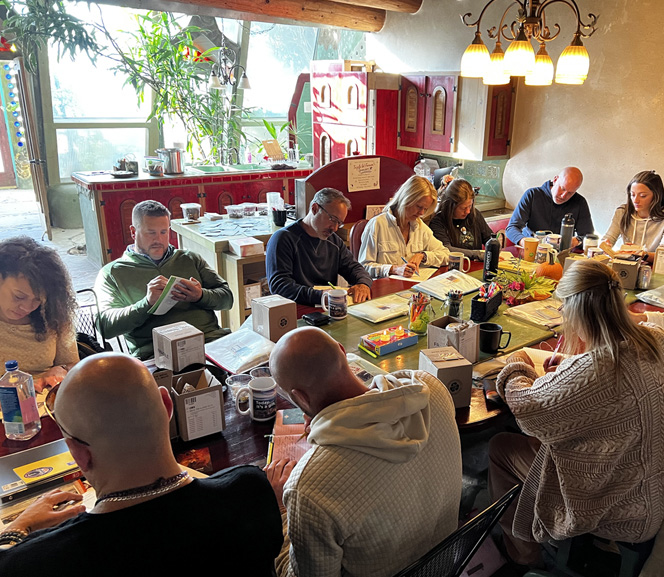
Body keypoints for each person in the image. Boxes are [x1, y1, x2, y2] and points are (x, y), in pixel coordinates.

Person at [0, 353, 283, 575]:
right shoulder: (250, 491)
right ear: (167, 404)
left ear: (77, 452)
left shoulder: (35, 562)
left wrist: (16, 529)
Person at [488, 259, 664, 566]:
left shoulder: (593, 372)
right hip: (651, 484)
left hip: (623, 509)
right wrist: (570, 368)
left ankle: (523, 556)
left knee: (501, 446)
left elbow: (526, 409)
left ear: (575, 309)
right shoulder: (654, 339)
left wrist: (516, 366)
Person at [265, 326, 462, 577]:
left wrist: (283, 513)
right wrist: (326, 420)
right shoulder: (431, 389)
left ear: (301, 398)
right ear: (342, 351)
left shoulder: (307, 487)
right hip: (445, 564)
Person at [95, 200, 233, 359]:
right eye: (151, 233)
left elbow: (227, 299)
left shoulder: (189, 258)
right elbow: (105, 327)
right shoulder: (112, 273)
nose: (159, 240)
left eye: (163, 232)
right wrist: (146, 304)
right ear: (133, 232)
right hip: (157, 354)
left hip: (210, 343)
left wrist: (201, 296)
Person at [265, 188, 372, 306]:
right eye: (332, 219)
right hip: (294, 310)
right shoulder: (283, 239)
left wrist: (363, 284)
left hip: (326, 308)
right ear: (315, 208)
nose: (335, 228)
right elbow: (279, 286)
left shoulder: (334, 241)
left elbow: (354, 268)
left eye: (339, 223)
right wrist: (320, 296)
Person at [0, 236, 78, 392]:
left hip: (48, 403)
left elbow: (74, 364)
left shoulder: (53, 314)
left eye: (38, 300)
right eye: (19, 296)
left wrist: (62, 369)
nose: (27, 307)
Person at [358, 175, 450, 278]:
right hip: (384, 288)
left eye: (425, 209)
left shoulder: (420, 227)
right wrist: (394, 269)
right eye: (419, 207)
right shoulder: (377, 225)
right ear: (406, 199)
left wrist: (422, 256)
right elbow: (363, 267)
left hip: (410, 288)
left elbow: (446, 255)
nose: (421, 213)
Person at [506, 167, 594, 248]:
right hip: (532, 249)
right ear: (555, 180)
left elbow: (588, 236)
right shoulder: (532, 195)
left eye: (570, 193)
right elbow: (512, 228)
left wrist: (576, 241)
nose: (563, 196)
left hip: (562, 253)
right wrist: (523, 241)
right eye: (562, 188)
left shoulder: (580, 202)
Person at [600, 170, 664, 264]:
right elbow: (609, 238)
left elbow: (661, 255)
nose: (635, 200)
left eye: (643, 196)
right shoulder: (622, 212)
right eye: (632, 195)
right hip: (626, 265)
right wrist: (606, 245)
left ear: (656, 196)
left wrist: (642, 254)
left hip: (652, 269)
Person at [429, 178, 494, 260]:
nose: (467, 211)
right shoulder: (438, 222)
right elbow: (446, 249)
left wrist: (495, 246)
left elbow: (489, 239)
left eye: (470, 206)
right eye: (463, 208)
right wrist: (478, 254)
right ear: (451, 206)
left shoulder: (474, 214)